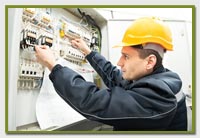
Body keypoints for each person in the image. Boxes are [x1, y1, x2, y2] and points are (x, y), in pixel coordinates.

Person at [35, 17, 187, 131]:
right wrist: (88, 52)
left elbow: (93, 101)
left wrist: (53, 65)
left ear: (149, 61)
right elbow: (114, 76)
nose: (120, 62)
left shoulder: (159, 95)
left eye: (126, 56)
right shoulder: (152, 78)